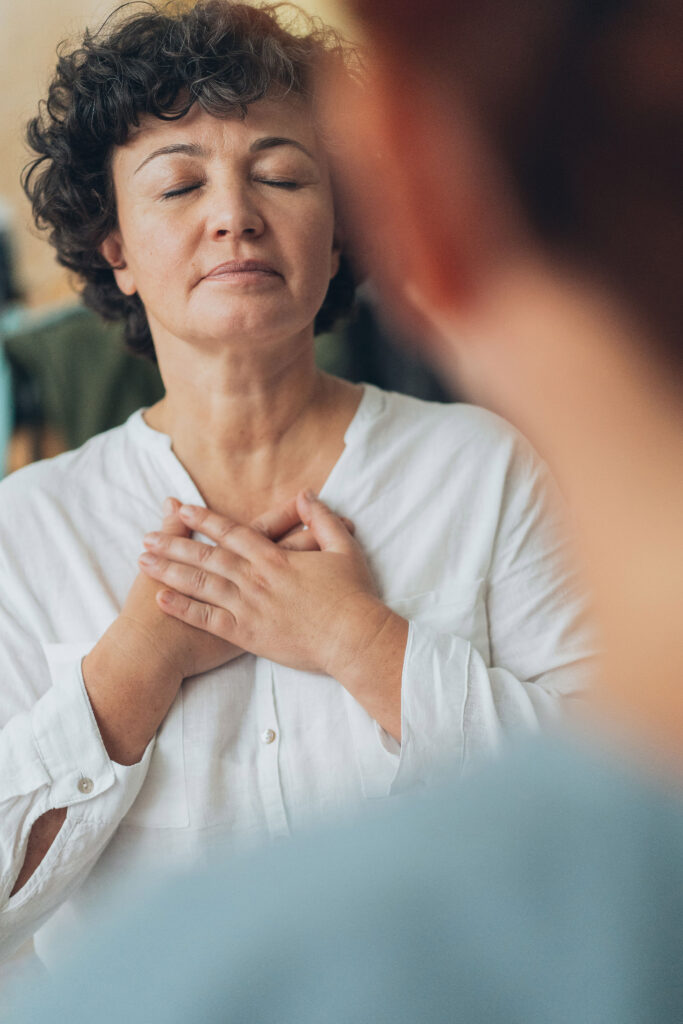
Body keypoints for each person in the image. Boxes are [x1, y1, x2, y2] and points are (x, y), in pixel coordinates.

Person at [5, 0, 681, 1020]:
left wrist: (364, 645)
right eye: (179, 183)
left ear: (345, 231)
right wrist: (126, 678)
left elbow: (631, 819)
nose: (233, 214)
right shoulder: (28, 526)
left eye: (280, 174)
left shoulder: (484, 471)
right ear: (115, 252)